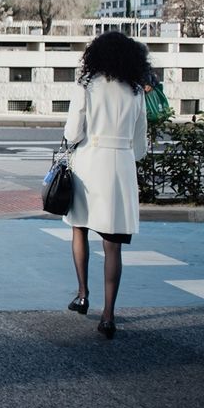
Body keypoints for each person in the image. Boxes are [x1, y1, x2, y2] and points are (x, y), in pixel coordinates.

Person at [62, 30, 150, 339]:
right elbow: (141, 146)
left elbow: (73, 132)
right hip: (121, 166)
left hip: (90, 162)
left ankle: (83, 294)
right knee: (113, 245)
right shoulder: (136, 90)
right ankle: (109, 315)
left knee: (79, 228)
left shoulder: (87, 86)